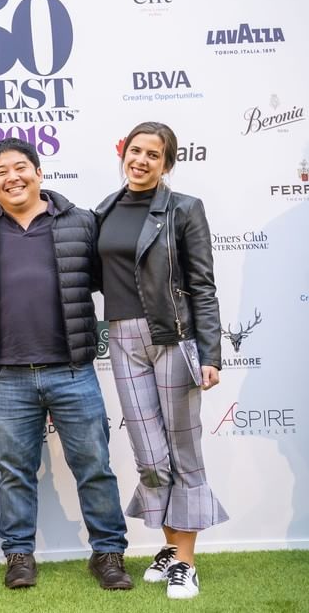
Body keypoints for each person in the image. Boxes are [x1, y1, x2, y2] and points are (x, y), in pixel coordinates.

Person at [0, 138, 132, 592]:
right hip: (8, 375)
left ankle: (109, 554)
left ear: (38, 172)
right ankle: (19, 555)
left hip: (72, 370)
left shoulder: (81, 223)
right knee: (14, 472)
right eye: (1, 171)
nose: (12, 177)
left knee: (94, 465)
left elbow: (102, 279)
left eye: (20, 168)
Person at [95, 122, 228, 600]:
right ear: (123, 153)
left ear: (167, 164)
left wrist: (209, 352)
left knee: (183, 450)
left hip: (172, 336)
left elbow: (203, 287)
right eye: (136, 151)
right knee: (150, 456)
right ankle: (172, 547)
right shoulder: (104, 210)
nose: (142, 160)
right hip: (122, 339)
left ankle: (184, 563)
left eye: (154, 154)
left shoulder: (185, 209)